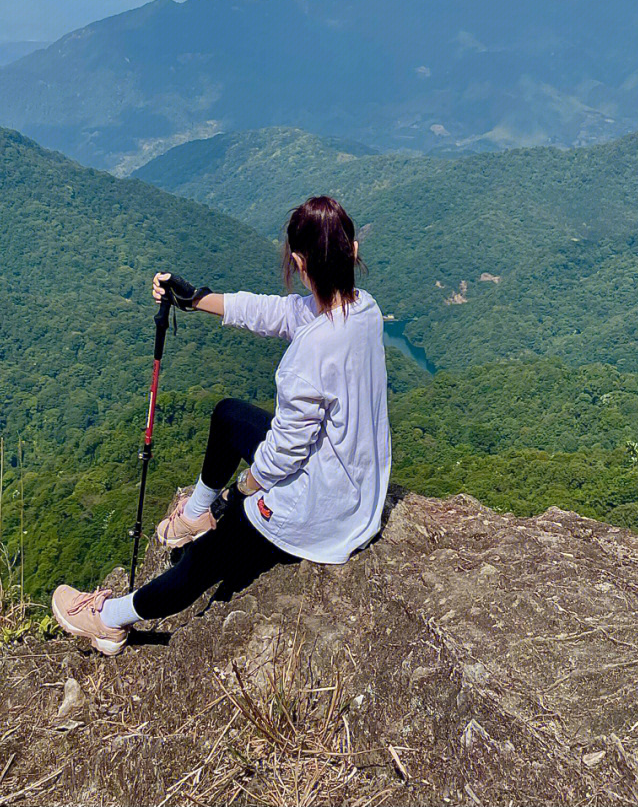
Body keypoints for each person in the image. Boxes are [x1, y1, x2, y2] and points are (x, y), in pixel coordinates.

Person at [51, 195, 391, 654]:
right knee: (229, 414)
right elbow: (278, 312)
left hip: (322, 512)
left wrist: (240, 493)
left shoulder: (307, 360)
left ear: (298, 262)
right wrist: (196, 299)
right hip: (355, 484)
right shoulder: (363, 309)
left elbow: (283, 456)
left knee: (208, 557)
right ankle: (193, 514)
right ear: (352, 253)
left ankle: (109, 621)